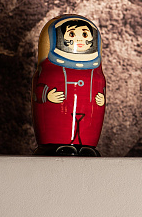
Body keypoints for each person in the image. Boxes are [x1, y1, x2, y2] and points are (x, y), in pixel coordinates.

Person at [32, 15, 106, 156]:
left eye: (85, 35)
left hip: (85, 115)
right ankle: (53, 144)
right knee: (58, 129)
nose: (80, 40)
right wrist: (47, 95)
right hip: (57, 118)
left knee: (85, 129)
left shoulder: (95, 71)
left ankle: (86, 145)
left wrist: (100, 99)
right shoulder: (48, 67)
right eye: (72, 34)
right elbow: (38, 90)